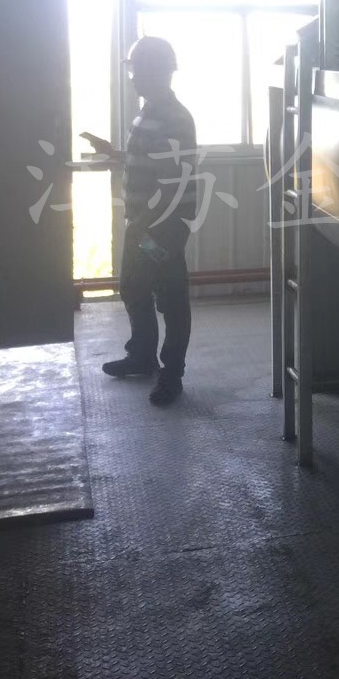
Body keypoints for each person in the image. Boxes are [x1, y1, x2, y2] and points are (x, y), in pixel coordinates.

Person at [81, 36, 197, 405]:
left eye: (136, 70)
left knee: (170, 297)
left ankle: (171, 374)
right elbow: (146, 159)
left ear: (156, 71)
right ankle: (142, 356)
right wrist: (115, 153)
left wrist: (147, 227)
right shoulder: (148, 113)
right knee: (133, 287)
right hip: (144, 224)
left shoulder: (174, 118)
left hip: (162, 226)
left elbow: (174, 181)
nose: (132, 78)